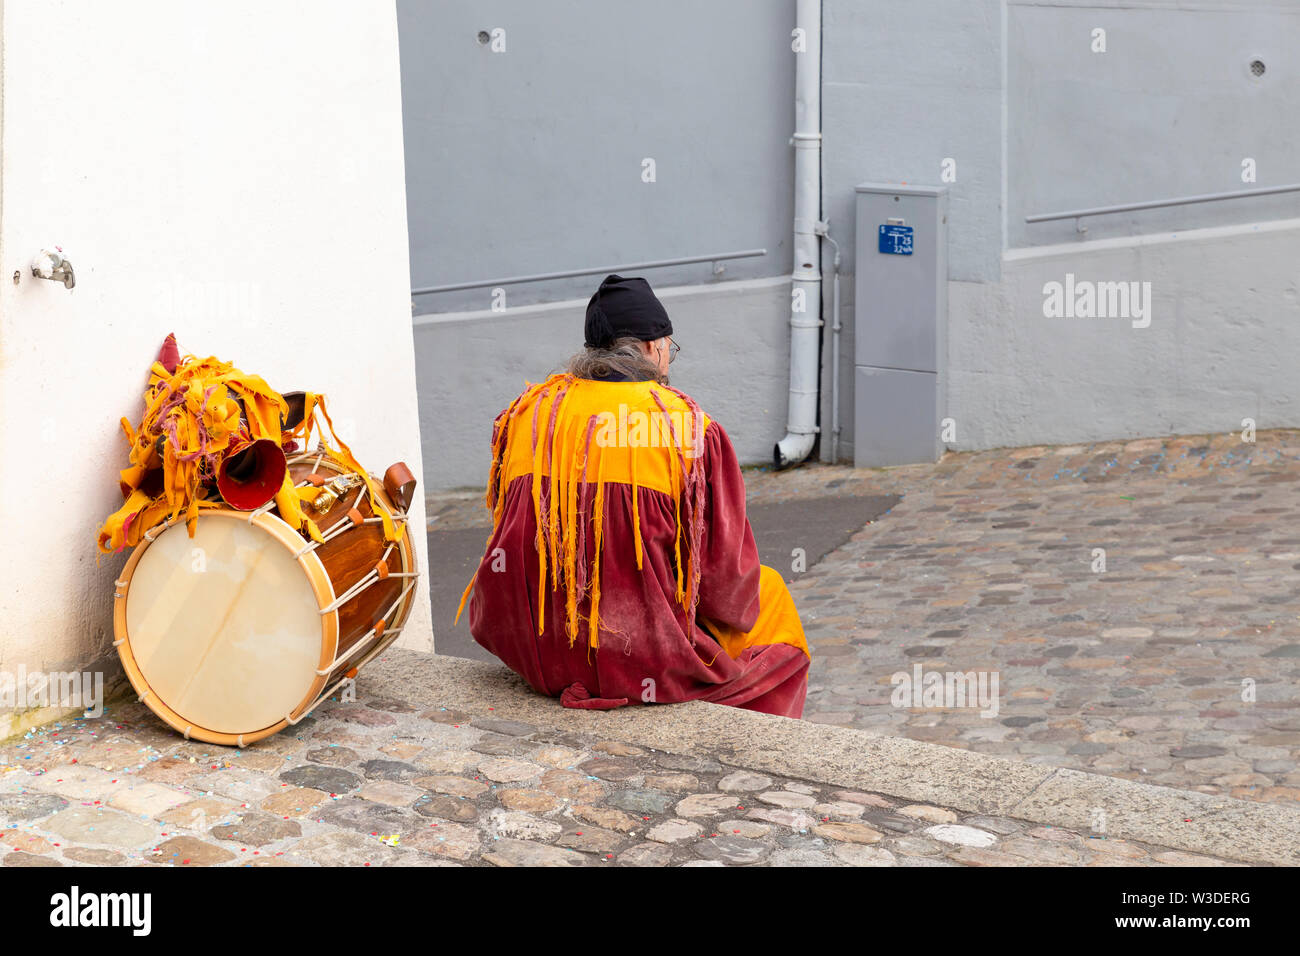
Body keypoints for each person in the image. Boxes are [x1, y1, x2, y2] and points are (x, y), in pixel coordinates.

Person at [455, 274, 810, 717]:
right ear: (650, 347)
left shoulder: (529, 410)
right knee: (776, 611)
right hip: (640, 657)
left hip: (532, 649)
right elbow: (725, 585)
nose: (669, 358)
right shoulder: (686, 426)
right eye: (669, 347)